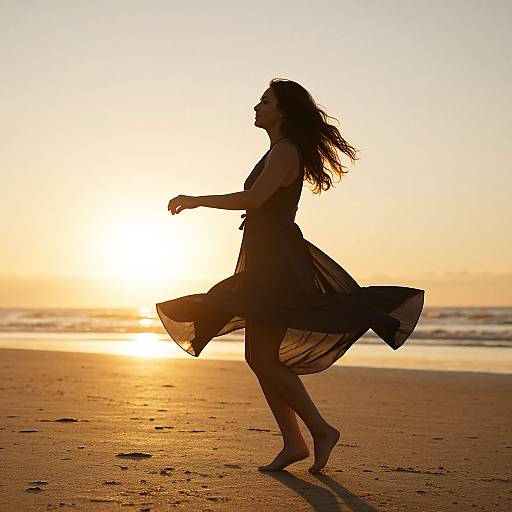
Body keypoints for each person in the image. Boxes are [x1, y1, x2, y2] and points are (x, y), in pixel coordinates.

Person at [157, 78, 424, 473]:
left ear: (282, 111)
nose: (256, 106)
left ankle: (317, 431)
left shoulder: (284, 151)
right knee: (258, 356)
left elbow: (254, 199)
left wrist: (197, 200)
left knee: (259, 353)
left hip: (276, 262)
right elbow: (260, 203)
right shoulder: (277, 151)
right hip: (266, 256)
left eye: (265, 100)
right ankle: (297, 440)